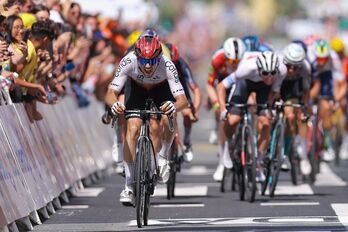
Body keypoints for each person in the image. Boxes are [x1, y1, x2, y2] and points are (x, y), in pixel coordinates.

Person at [105, 33, 188, 205]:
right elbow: (110, 93)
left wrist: (174, 106)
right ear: (137, 56)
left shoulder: (167, 65)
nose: (148, 66)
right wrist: (114, 105)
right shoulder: (129, 61)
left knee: (167, 117)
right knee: (133, 128)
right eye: (143, 61)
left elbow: (183, 101)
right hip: (137, 89)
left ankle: (163, 157)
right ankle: (128, 186)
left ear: (159, 57)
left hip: (161, 89)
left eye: (152, 61)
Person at [217, 51, 287, 182]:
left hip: (264, 89)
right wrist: (222, 108)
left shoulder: (282, 70)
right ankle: (228, 145)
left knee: (266, 122)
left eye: (273, 73)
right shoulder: (246, 69)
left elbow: (274, 91)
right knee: (233, 120)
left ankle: (258, 162)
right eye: (266, 73)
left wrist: (269, 108)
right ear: (259, 69)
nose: (270, 77)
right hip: (245, 83)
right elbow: (221, 86)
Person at [206, 37, 245, 181]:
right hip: (221, 85)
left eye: (237, 62)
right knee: (221, 115)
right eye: (232, 61)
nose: (235, 64)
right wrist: (217, 103)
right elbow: (210, 85)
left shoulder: (245, 62)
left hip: (239, 85)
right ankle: (222, 162)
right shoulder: (217, 59)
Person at [308, 39, 347, 162]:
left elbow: (342, 83)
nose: (321, 62)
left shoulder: (333, 58)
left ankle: (327, 143)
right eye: (319, 59)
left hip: (326, 76)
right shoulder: (308, 56)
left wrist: (335, 100)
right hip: (309, 75)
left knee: (326, 108)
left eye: (324, 59)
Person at [279, 43, 312, 175]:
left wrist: (304, 107)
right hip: (276, 83)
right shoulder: (279, 63)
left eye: (295, 67)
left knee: (292, 116)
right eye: (289, 66)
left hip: (291, 88)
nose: (291, 70)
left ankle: (289, 154)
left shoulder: (305, 68)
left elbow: (306, 91)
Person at [166, 42, 201, 162]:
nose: (173, 66)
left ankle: (186, 141)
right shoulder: (160, 64)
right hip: (165, 87)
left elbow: (195, 89)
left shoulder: (182, 64)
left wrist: (194, 109)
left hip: (180, 88)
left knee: (187, 113)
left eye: (174, 64)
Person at [330, 37, 348, 160]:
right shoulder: (330, 61)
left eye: (339, 52)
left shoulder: (346, 62)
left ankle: (345, 143)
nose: (338, 55)